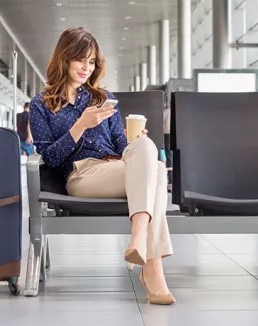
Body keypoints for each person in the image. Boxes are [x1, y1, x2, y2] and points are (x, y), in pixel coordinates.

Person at [28, 28, 175, 305]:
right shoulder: (41, 104)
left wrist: (136, 142)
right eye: (80, 59)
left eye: (92, 61)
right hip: (80, 175)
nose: (87, 67)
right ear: (64, 59)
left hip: (116, 169)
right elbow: (50, 158)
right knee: (154, 171)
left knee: (147, 150)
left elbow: (121, 144)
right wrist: (81, 125)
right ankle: (151, 268)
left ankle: (139, 238)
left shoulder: (102, 98)